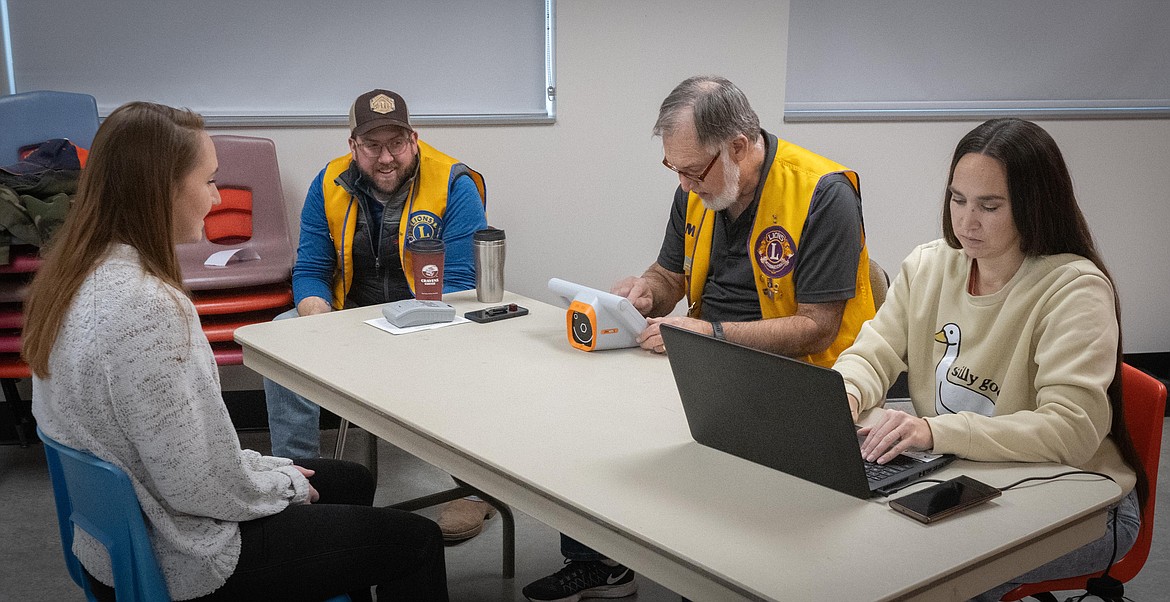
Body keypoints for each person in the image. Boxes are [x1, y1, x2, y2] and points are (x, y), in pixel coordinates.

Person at [23, 101, 448, 601]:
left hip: (119, 539)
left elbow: (183, 458)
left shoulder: (74, 276)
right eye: (207, 181)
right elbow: (196, 486)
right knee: (417, 540)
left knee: (347, 479)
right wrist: (281, 484)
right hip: (183, 554)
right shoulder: (146, 308)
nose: (217, 196)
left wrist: (271, 471)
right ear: (160, 190)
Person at [522, 75, 876, 602]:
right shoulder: (699, 186)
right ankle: (601, 560)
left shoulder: (824, 193)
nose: (684, 184)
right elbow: (672, 277)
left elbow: (816, 326)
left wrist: (709, 334)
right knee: (586, 417)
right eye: (675, 169)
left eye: (691, 170)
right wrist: (645, 292)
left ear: (738, 145)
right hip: (708, 358)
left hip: (806, 379)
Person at [833, 118, 1144, 601]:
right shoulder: (929, 265)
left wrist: (936, 431)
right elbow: (872, 354)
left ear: (1035, 206)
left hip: (1082, 505)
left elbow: (1071, 430)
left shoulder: (1075, 290)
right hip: (963, 475)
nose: (966, 221)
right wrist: (843, 396)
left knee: (928, 578)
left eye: (990, 206)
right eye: (958, 199)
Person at [263, 89, 495, 541]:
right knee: (282, 332)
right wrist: (313, 310)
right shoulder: (328, 182)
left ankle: (475, 492)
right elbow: (311, 269)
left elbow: (462, 281)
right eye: (372, 146)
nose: (386, 158)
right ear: (353, 146)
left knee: (480, 353)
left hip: (434, 319)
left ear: (414, 138)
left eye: (396, 144)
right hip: (350, 319)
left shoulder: (454, 182)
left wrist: (403, 326)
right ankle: (299, 482)